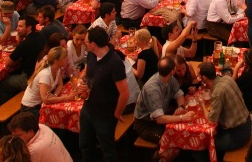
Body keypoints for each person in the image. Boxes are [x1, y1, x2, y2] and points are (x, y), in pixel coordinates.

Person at [80, 26, 128, 162]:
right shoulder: (91, 55)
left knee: (108, 151)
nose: (85, 44)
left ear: (93, 44)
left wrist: (117, 113)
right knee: (85, 145)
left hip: (105, 114)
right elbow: (88, 73)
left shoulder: (115, 63)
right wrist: (81, 84)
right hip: (88, 109)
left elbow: (124, 93)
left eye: (86, 42)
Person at [199, 62, 252, 157]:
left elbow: (211, 121)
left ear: (204, 78)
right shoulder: (227, 78)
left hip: (237, 135)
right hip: (247, 124)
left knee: (204, 145)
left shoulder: (217, 92)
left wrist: (202, 105)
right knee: (215, 133)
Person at [132, 56, 187, 143]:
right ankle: (158, 156)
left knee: (180, 132)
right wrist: (182, 117)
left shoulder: (168, 77)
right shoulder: (152, 89)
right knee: (171, 140)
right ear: (173, 70)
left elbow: (178, 93)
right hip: (145, 125)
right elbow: (159, 119)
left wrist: (181, 106)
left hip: (158, 118)